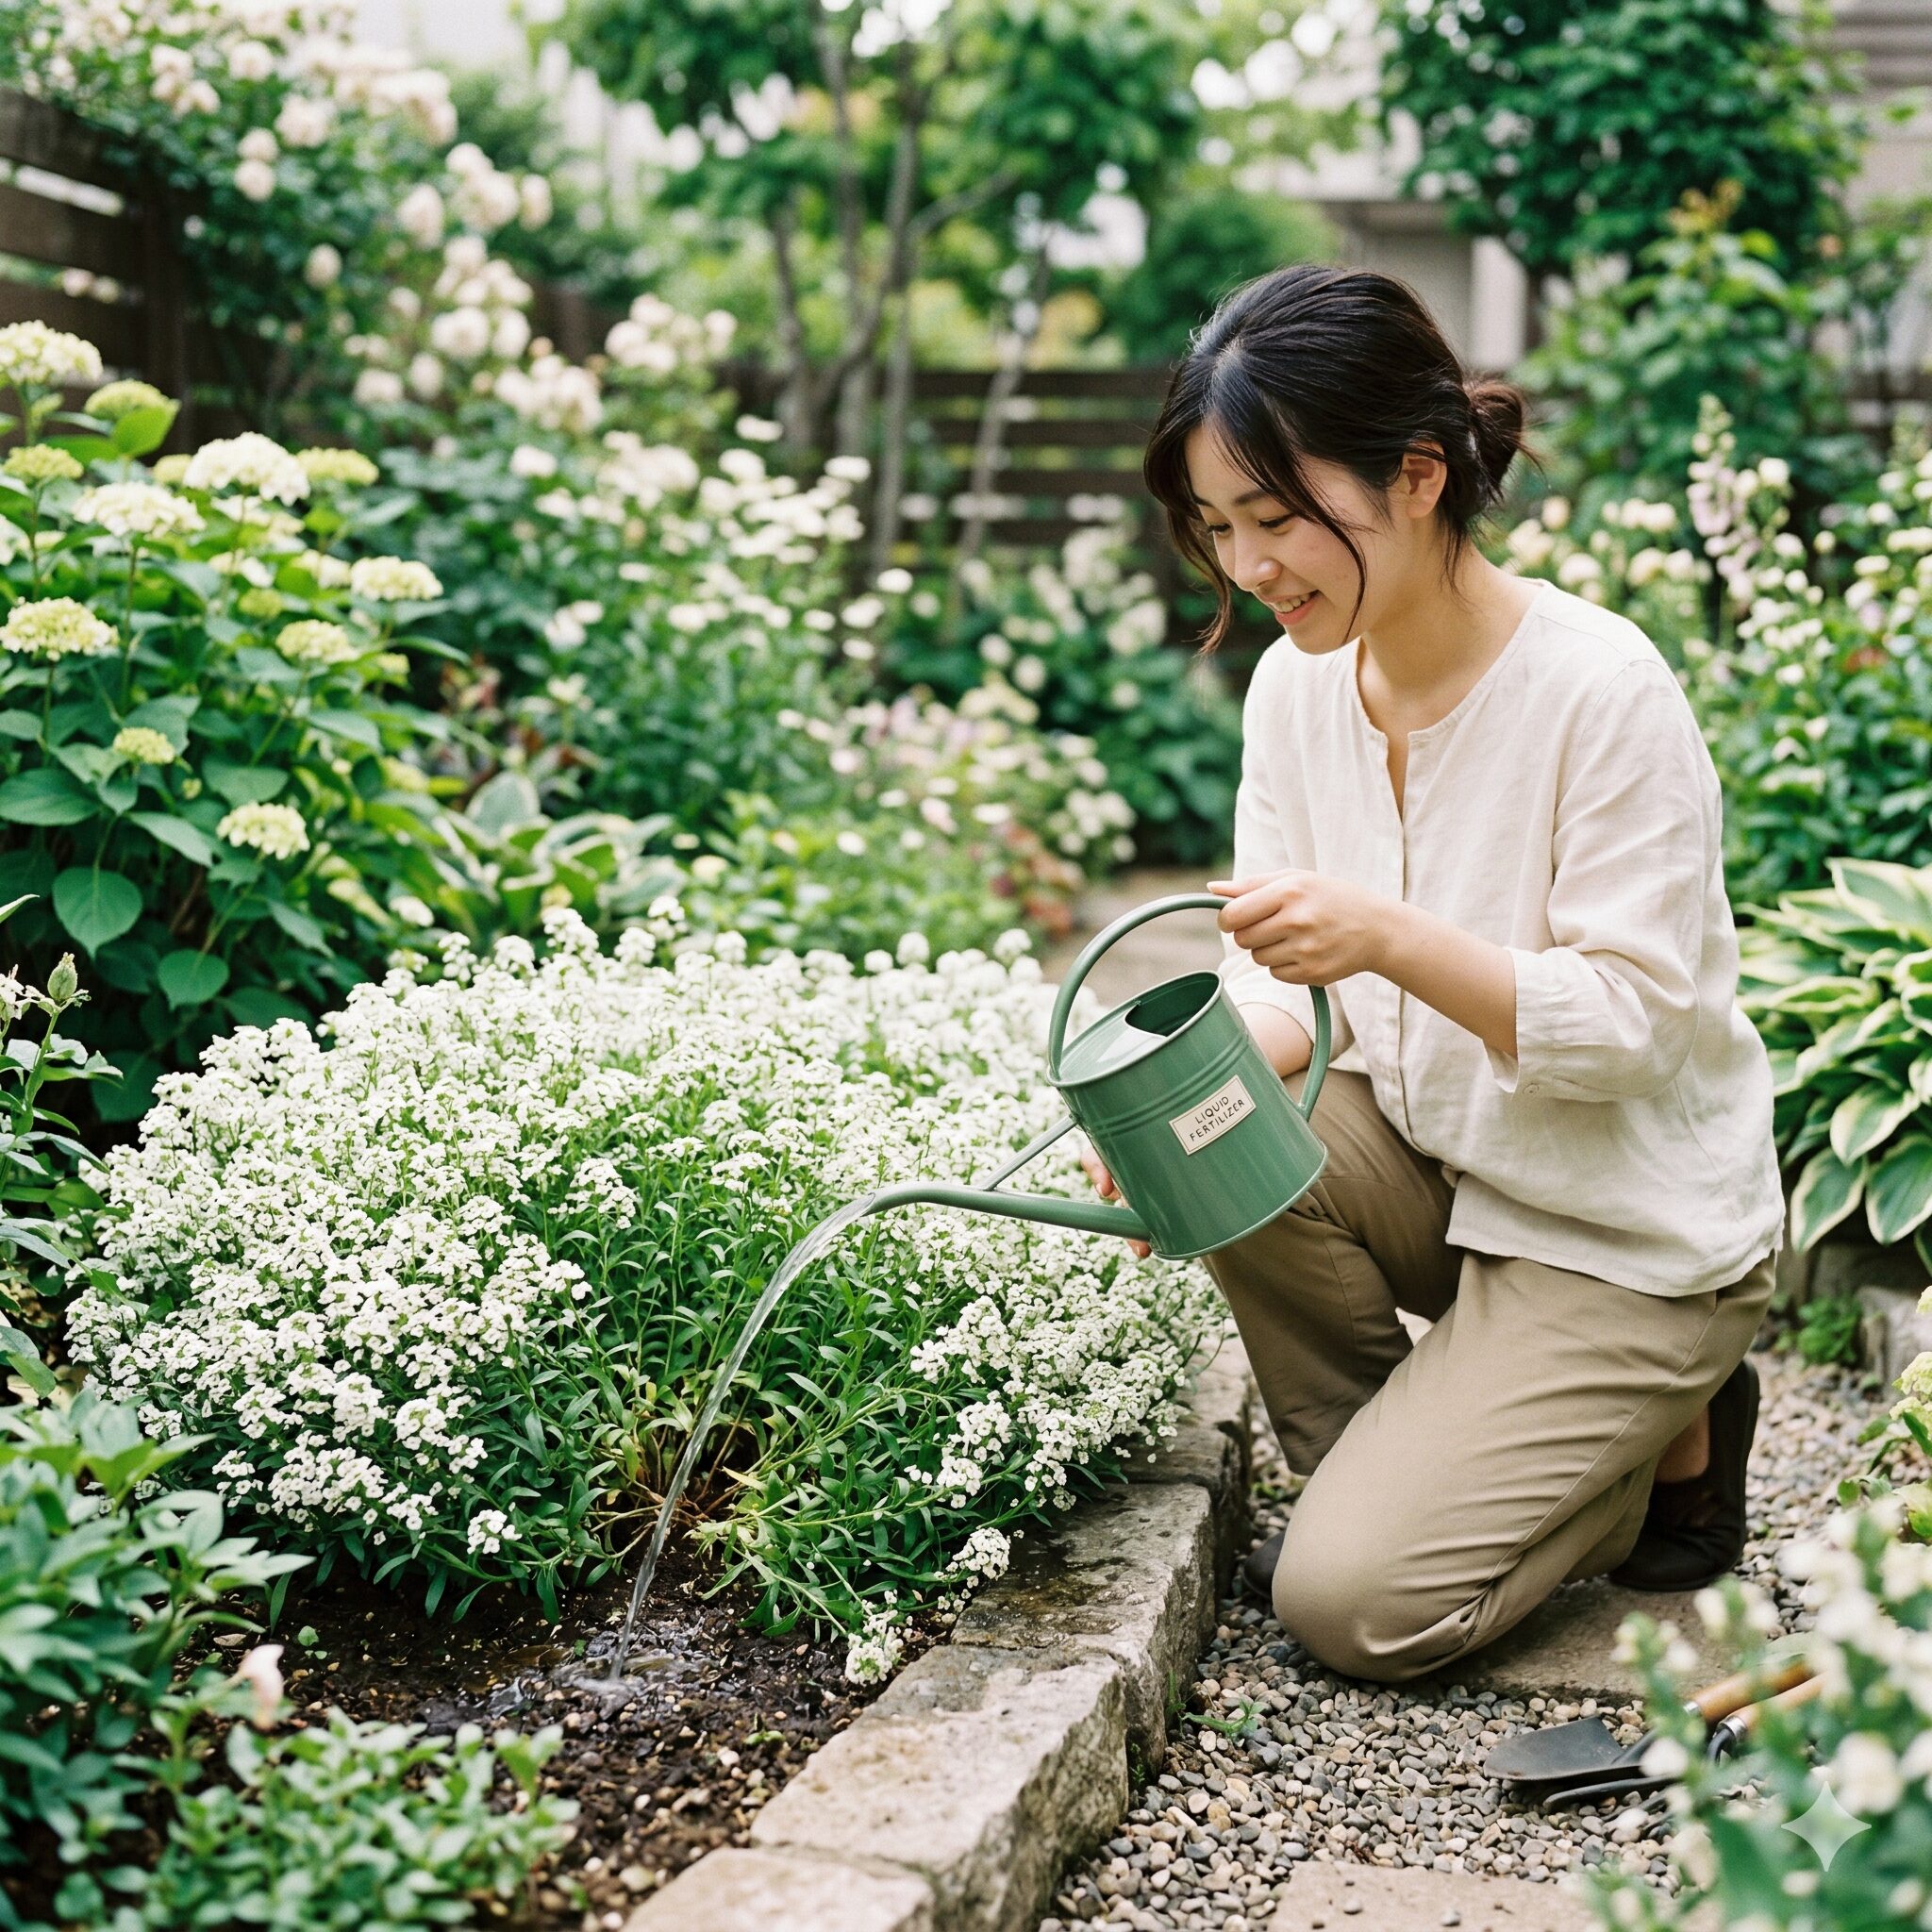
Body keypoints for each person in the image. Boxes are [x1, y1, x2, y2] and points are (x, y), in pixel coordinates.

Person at [1077, 264, 1784, 1687]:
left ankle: (1646, 1451)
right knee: (1215, 1129)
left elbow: (1637, 1031)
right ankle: (1423, 1478)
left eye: (1276, 516)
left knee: (1352, 1612)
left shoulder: (1601, 690)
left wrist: (1389, 937)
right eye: (1219, 526)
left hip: (1622, 1229)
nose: (1248, 565)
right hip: (1455, 1181)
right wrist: (1171, 1111)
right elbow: (1276, 986)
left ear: (1416, 475)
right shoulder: (1295, 689)